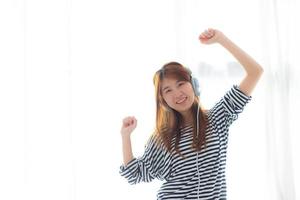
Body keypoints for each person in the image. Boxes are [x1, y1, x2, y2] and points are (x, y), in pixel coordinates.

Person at [119, 28, 263, 199]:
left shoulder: (217, 118)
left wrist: (222, 40)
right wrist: (125, 136)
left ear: (193, 85)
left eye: (180, 84)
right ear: (163, 100)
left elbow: (255, 72)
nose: (177, 93)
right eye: (168, 90)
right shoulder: (162, 137)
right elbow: (134, 173)